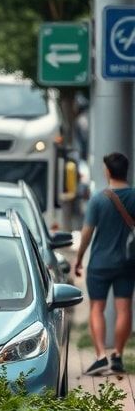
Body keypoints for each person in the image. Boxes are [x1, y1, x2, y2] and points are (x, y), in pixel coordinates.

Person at [74, 151, 135, 374]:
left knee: (97, 308)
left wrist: (79, 259)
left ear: (107, 171)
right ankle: (118, 355)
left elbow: (87, 233)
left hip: (100, 263)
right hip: (127, 263)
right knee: (124, 308)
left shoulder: (99, 199)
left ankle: (100, 356)